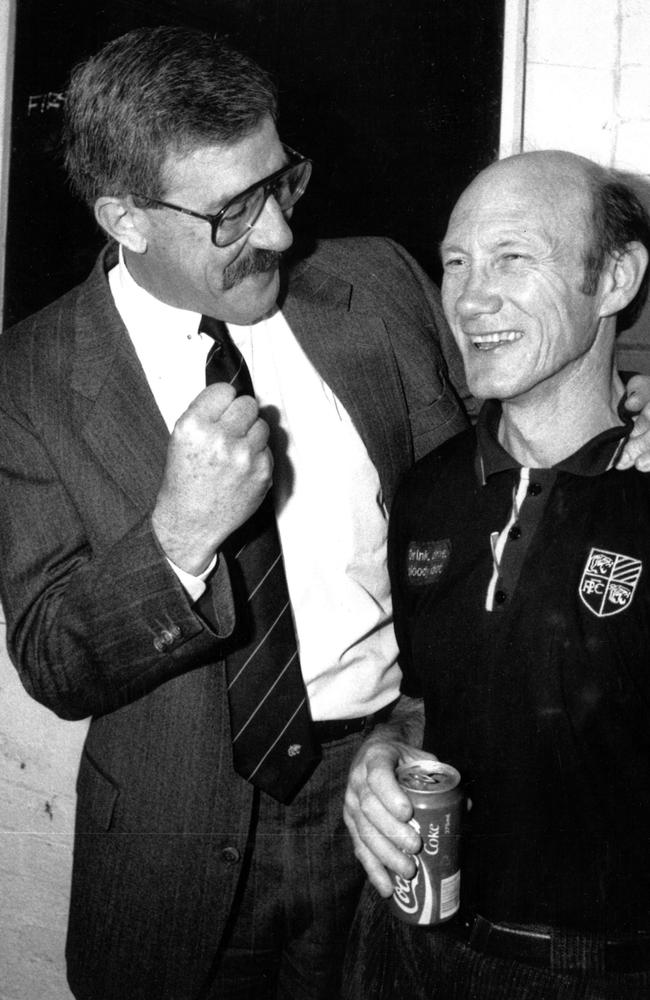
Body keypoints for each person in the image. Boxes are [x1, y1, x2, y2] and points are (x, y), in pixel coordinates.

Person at [0, 24, 479, 1000]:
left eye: (281, 181)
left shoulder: (377, 290)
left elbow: (462, 530)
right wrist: (177, 534)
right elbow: (53, 657)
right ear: (125, 218)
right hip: (176, 849)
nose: (277, 234)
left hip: (385, 791)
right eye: (232, 211)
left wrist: (599, 441)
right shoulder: (30, 380)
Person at [342, 150, 650, 1000]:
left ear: (615, 278)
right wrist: (382, 751)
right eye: (455, 262)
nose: (471, 299)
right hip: (402, 949)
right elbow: (420, 695)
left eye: (514, 258)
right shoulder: (427, 490)